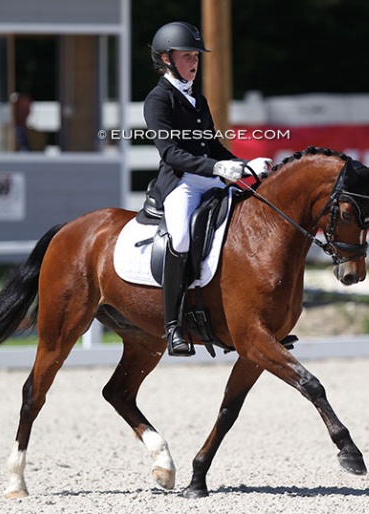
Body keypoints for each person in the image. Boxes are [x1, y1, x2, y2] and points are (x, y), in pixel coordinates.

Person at [144, 21, 271, 357]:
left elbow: (212, 145)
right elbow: (170, 152)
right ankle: (173, 327)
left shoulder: (197, 98)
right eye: (187, 56)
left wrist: (243, 164)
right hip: (179, 183)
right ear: (166, 58)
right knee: (182, 238)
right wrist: (216, 168)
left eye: (196, 56)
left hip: (209, 178)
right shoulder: (158, 100)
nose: (195, 62)